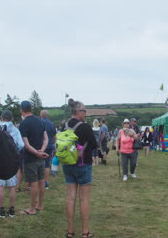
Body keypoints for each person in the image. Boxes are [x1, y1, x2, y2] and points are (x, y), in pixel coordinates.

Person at [63, 99, 97, 238]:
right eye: (84, 111)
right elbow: (94, 145)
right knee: (84, 200)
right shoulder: (84, 126)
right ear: (78, 112)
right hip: (83, 165)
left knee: (70, 198)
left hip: (67, 165)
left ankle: (70, 231)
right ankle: (85, 232)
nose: (86, 113)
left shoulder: (64, 125)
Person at [18, 101, 49, 215]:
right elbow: (46, 138)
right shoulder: (40, 120)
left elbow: (25, 144)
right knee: (41, 181)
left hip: (31, 158)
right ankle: (40, 205)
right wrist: (42, 150)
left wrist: (37, 153)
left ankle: (31, 209)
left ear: (22, 110)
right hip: (41, 156)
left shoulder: (24, 124)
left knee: (34, 183)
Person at [0, 110, 24, 218]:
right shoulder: (15, 130)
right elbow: (21, 145)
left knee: (1, 186)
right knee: (12, 186)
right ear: (11, 119)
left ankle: (2, 210)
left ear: (1, 118)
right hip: (11, 161)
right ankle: (12, 210)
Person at [40, 110, 56, 189]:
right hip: (50, 145)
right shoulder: (52, 124)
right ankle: (46, 183)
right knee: (47, 164)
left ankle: (40, 182)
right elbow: (54, 135)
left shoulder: (39, 123)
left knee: (39, 163)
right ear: (48, 116)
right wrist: (54, 144)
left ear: (41, 116)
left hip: (42, 146)